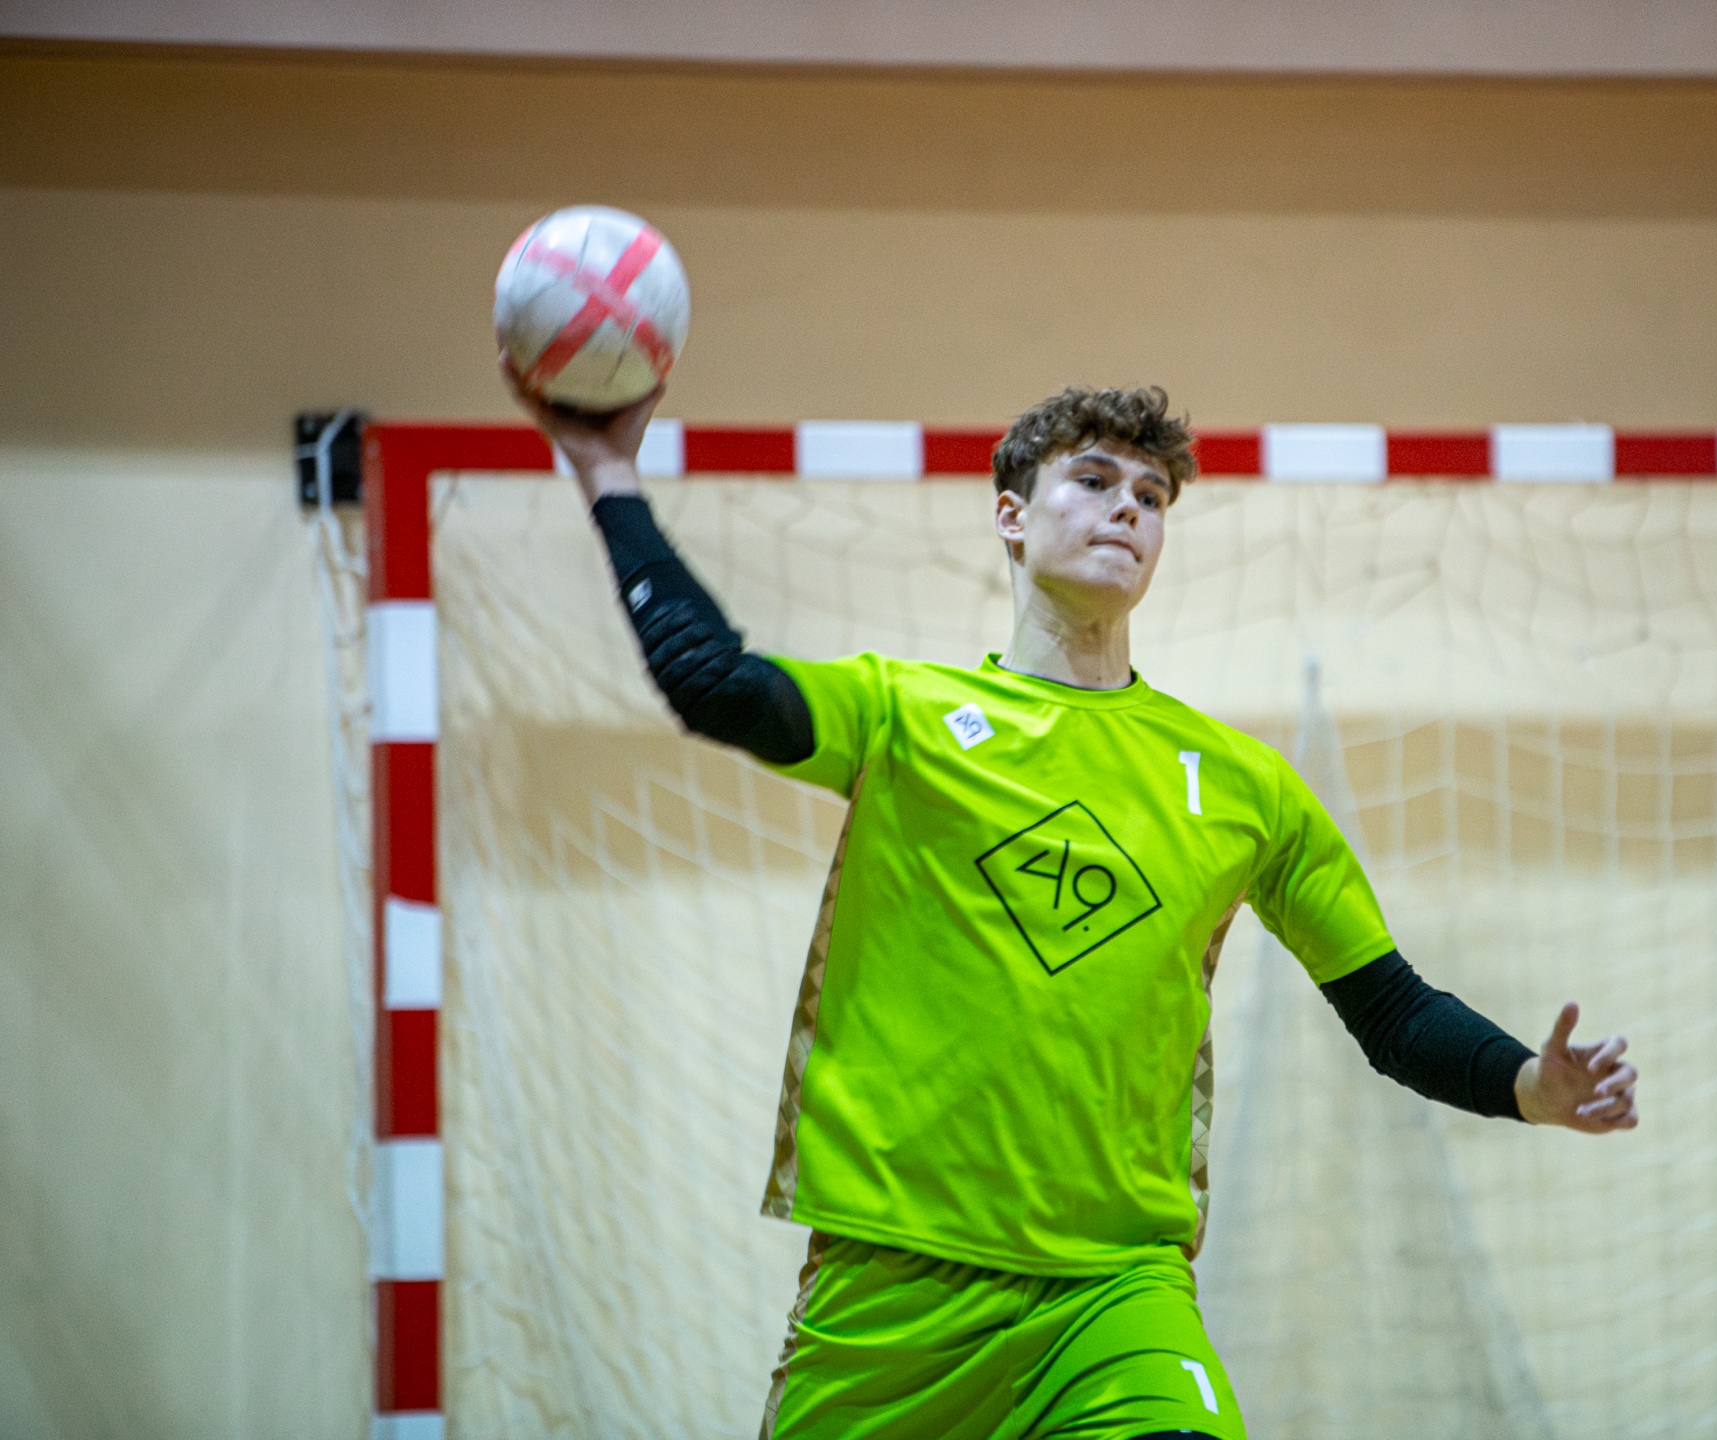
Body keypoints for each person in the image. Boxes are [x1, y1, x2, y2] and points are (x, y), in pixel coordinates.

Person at [507, 369, 1641, 1440]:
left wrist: (1530, 1087)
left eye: (1151, 495)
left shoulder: (1243, 786)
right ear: (1011, 516)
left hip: (1118, 1292)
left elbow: (1391, 1011)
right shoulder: (903, 715)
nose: (1127, 508)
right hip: (894, 1282)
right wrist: (606, 472)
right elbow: (712, 683)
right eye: (1093, 480)